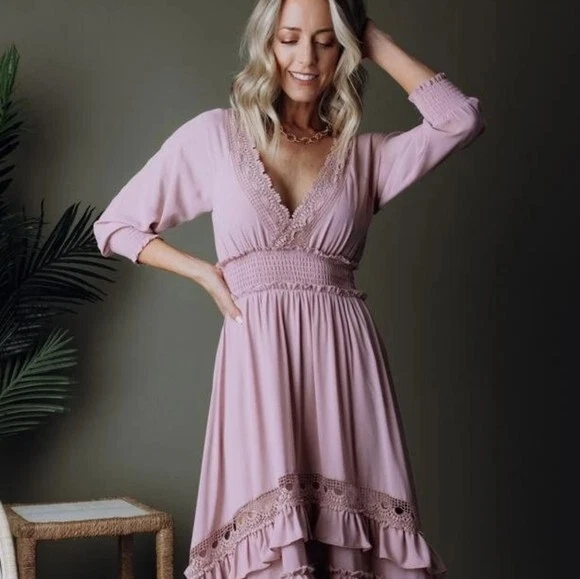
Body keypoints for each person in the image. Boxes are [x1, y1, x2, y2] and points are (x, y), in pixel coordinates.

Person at [93, 0, 485, 577]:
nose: (307, 57)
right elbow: (115, 225)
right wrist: (202, 272)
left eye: (326, 41)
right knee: (273, 549)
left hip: (343, 365)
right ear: (266, 44)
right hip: (256, 366)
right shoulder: (216, 136)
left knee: (348, 547)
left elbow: (459, 121)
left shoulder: (364, 156)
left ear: (345, 50)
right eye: (290, 38)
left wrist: (368, 33)